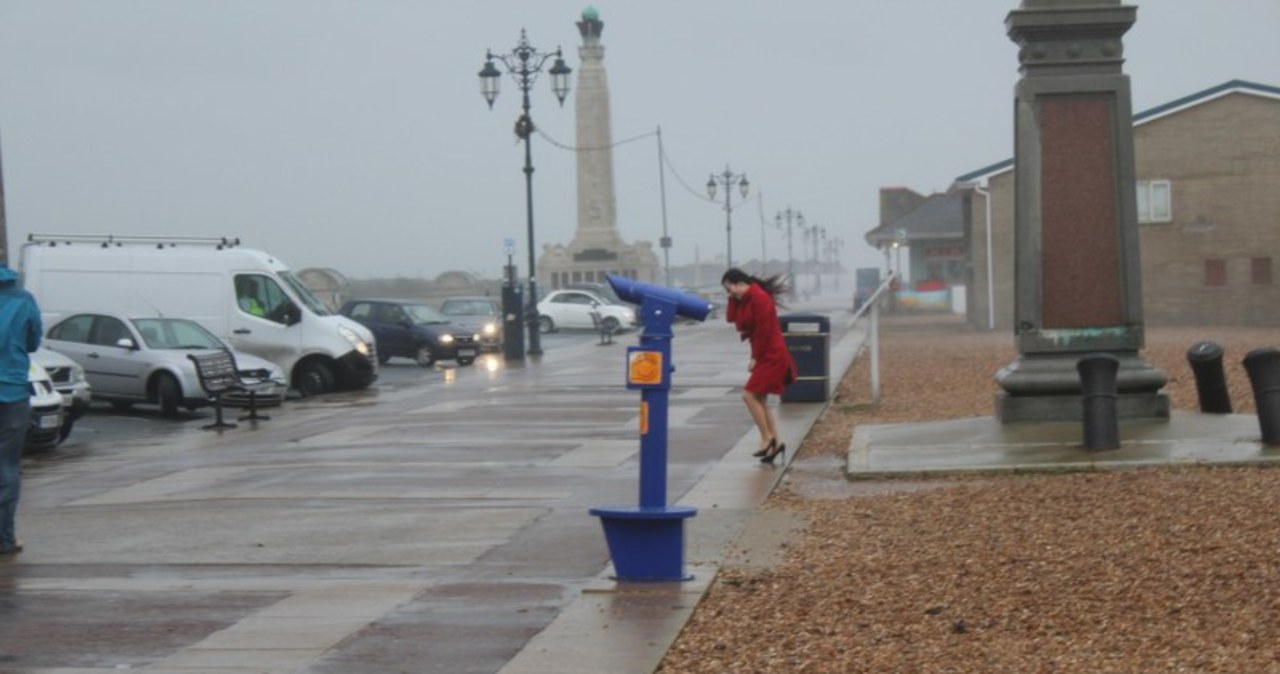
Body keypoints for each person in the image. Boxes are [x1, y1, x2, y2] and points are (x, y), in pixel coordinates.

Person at [722, 267, 796, 464]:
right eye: (727, 291)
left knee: (749, 395)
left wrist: (756, 357)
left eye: (730, 289)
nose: (730, 294)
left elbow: (763, 330)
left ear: (740, 283)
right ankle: (776, 443)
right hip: (766, 352)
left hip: (771, 353)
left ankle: (767, 438)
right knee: (759, 398)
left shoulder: (760, 298)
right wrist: (731, 296)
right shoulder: (745, 299)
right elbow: (731, 318)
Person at [0, 263, 42, 555]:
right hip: (12, 391)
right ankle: (4, 537)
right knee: (7, 466)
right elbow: (33, 341)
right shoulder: (23, 299)